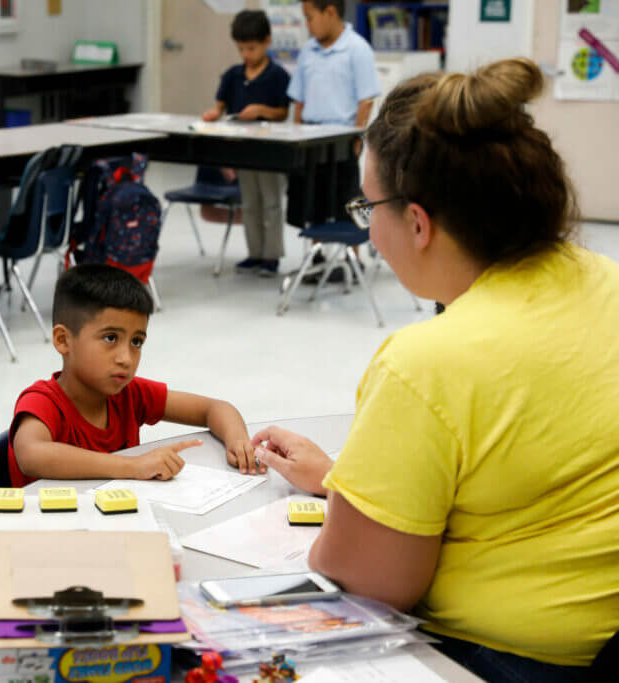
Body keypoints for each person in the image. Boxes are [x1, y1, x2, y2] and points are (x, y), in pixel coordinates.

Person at [253, 59, 619, 680]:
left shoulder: (427, 364)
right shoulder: (604, 282)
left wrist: (341, 526)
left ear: (418, 222)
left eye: (368, 207)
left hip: (506, 661)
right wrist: (349, 482)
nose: (369, 231)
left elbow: (369, 584)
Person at [9, 264, 261, 487]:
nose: (126, 358)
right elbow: (31, 454)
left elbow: (214, 408)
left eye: (136, 342)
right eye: (110, 338)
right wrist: (132, 466)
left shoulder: (130, 393)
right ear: (64, 340)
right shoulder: (42, 401)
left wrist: (238, 441)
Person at [288, 0, 379, 283]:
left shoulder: (357, 48)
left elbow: (366, 99)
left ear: (330, 12)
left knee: (348, 196)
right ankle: (315, 255)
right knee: (312, 197)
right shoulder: (308, 51)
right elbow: (299, 99)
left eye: (310, 17)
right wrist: (296, 130)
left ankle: (354, 258)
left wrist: (357, 135)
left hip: (342, 136)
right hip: (311, 137)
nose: (307, 24)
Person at [202, 10, 291, 278]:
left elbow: (283, 113)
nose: (246, 55)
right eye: (241, 49)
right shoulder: (232, 75)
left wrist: (262, 110)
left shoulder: (277, 76)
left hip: (269, 149)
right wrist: (213, 114)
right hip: (244, 150)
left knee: (271, 203)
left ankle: (271, 256)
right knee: (250, 203)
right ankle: (254, 253)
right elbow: (219, 106)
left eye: (251, 48)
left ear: (267, 41)